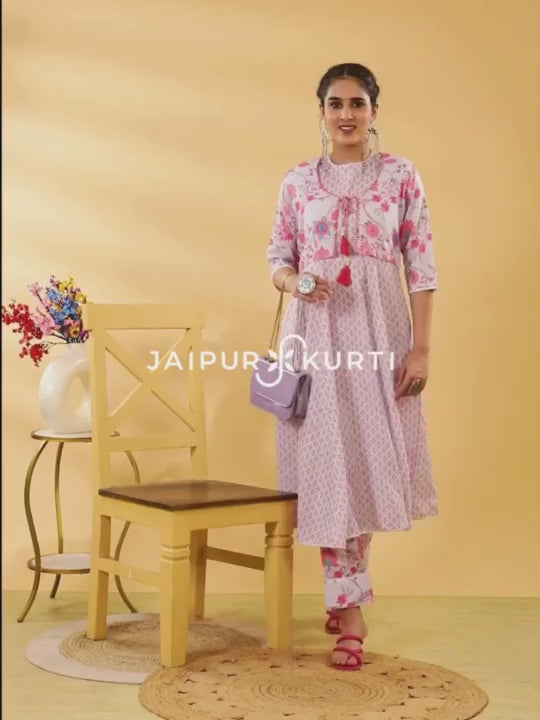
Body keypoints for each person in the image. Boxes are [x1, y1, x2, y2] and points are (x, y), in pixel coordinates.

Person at [265, 63, 438, 671]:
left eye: (357, 103)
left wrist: (421, 348)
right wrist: (295, 280)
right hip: (314, 335)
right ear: (321, 111)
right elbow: (277, 256)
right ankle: (351, 607)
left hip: (380, 335)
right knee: (327, 464)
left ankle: (345, 594)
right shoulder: (297, 181)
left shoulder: (400, 176)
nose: (346, 114)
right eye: (335, 103)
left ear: (373, 111)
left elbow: (422, 266)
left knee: (363, 462)